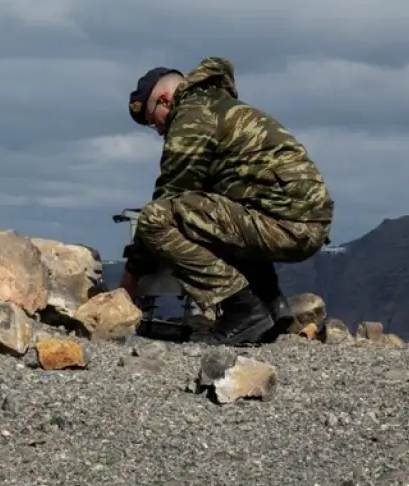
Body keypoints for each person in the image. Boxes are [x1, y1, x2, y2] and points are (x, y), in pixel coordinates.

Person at [120, 56, 334, 345]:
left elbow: (171, 196)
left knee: (156, 219)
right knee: (216, 213)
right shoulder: (219, 106)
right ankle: (271, 306)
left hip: (286, 224)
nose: (158, 130)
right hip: (302, 223)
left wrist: (131, 278)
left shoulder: (192, 116)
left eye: (152, 121)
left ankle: (243, 308)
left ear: (165, 100)